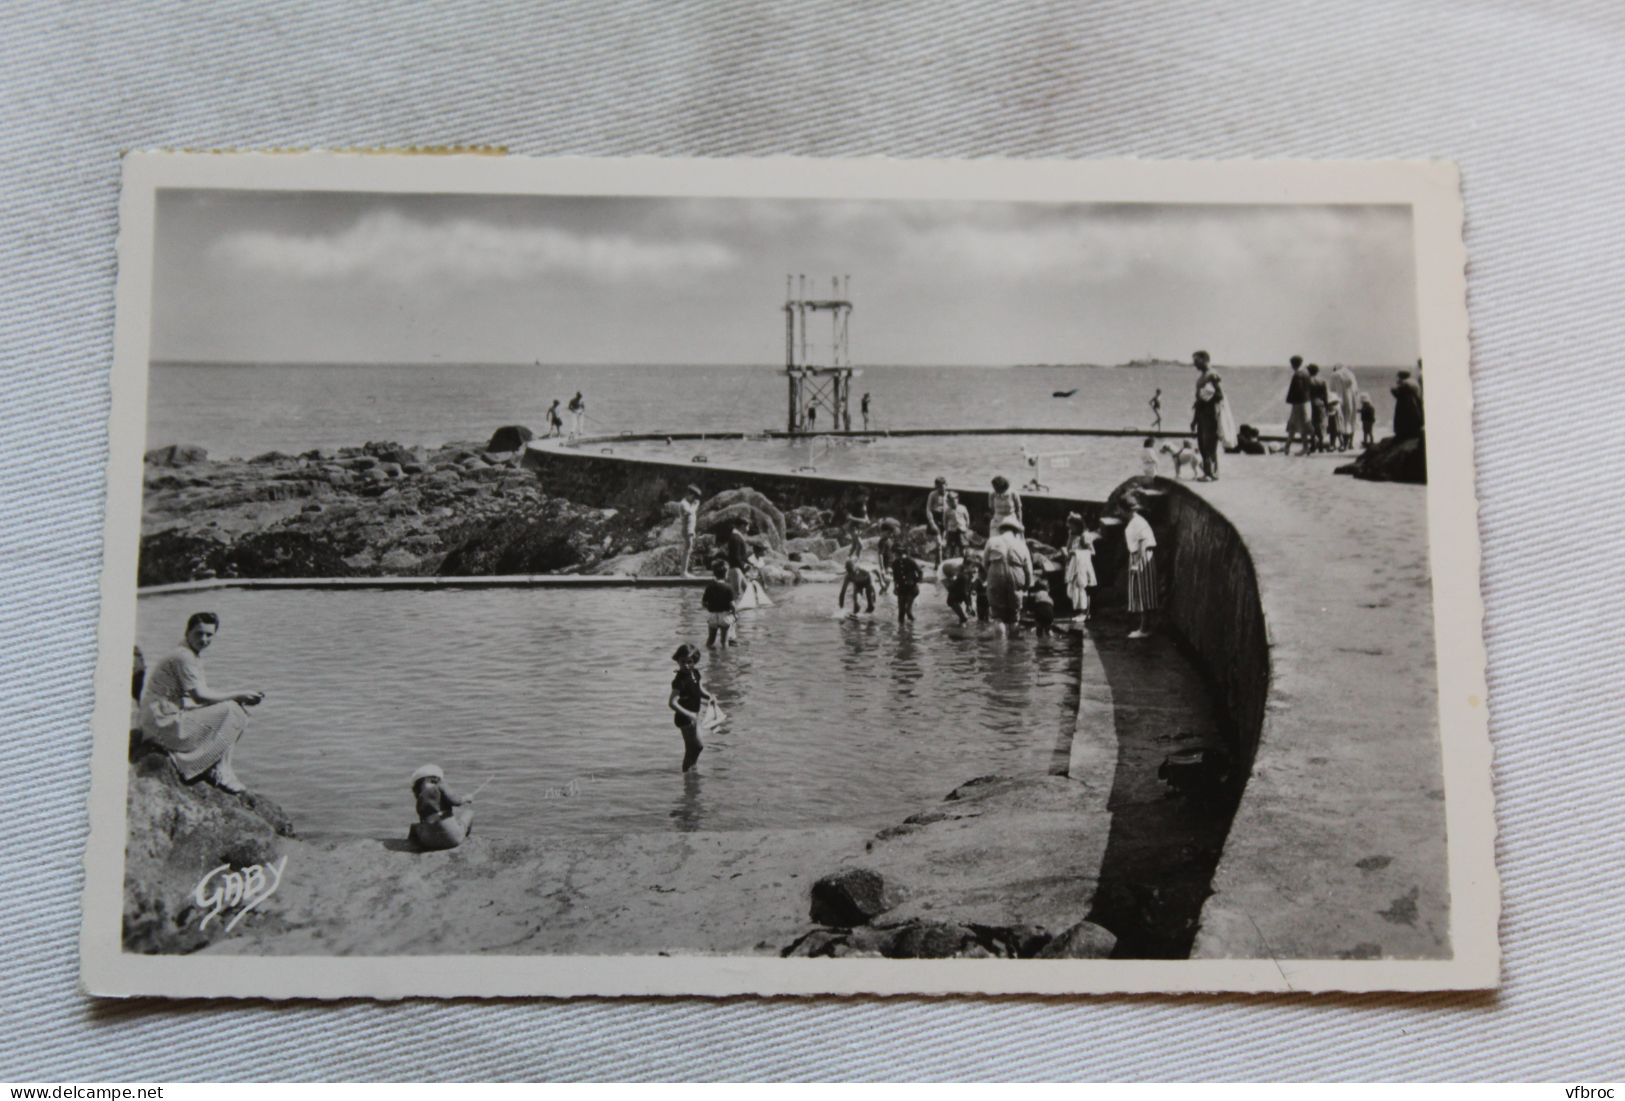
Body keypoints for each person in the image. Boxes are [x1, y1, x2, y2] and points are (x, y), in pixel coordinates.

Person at [137, 611, 264, 793]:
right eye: (199, 633)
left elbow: (191, 700)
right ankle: (212, 769)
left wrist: (233, 702)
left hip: (162, 720)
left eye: (209, 635)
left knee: (236, 711)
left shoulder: (190, 654)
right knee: (233, 711)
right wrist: (239, 695)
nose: (204, 639)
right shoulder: (184, 657)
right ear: (187, 632)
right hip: (161, 724)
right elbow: (200, 696)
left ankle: (215, 766)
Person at [982, 516, 1034, 638]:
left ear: (1001, 530)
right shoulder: (1022, 545)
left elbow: (984, 563)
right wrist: (1026, 587)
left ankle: (1000, 648)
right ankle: (1013, 649)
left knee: (998, 616)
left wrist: (991, 577)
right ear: (1016, 532)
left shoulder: (992, 541)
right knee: (1014, 616)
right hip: (1016, 575)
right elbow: (1028, 570)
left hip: (996, 573)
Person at [406, 764, 475, 851]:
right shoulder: (440, 786)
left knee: (415, 826)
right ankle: (464, 836)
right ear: (436, 779)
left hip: (428, 842)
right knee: (469, 813)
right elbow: (456, 801)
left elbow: (423, 821)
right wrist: (467, 798)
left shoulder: (420, 798)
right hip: (453, 840)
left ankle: (410, 844)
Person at [668, 643, 713, 771]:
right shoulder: (679, 680)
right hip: (684, 718)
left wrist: (710, 696)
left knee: (697, 747)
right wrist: (689, 714)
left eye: (690, 662)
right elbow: (672, 702)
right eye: (683, 662)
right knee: (693, 747)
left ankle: (692, 769)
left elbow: (699, 689)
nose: (687, 665)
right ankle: (687, 773)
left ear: (695, 661)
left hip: (694, 715)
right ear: (677, 660)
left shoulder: (695, 673)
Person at [1123, 496, 1158, 639]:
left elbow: (1143, 542)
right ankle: (1143, 627)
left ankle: (1145, 629)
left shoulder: (1138, 522)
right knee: (1140, 593)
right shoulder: (1134, 521)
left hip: (1142, 557)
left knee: (1145, 594)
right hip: (1137, 556)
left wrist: (1137, 563)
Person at [1064, 512, 1100, 623]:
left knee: (1082, 588)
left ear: (1078, 524)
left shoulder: (1085, 535)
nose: (1069, 527)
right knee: (1073, 589)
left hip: (1082, 566)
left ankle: (1084, 613)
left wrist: (1076, 552)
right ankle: (1080, 611)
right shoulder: (1072, 534)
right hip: (1073, 565)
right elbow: (1068, 548)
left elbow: (1092, 552)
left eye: (1071, 525)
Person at [1191, 371, 1224, 481]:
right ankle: (1210, 473)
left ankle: (1211, 473)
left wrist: (1215, 383)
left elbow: (1220, 396)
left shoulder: (1213, 393)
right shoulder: (1204, 395)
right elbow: (1198, 407)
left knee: (1208, 448)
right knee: (1203, 448)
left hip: (1209, 421)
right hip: (1202, 421)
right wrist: (1194, 421)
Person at [702, 559, 737, 647]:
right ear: (726, 573)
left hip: (712, 616)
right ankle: (724, 659)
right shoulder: (728, 587)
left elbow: (703, 603)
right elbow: (732, 605)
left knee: (711, 639)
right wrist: (734, 614)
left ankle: (710, 657)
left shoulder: (709, 587)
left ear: (714, 573)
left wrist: (710, 608)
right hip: (724, 616)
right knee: (724, 641)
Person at [1284, 355, 1312, 456]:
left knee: (1298, 425)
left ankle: (1304, 447)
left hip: (1299, 403)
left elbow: (1299, 391)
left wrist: (1293, 401)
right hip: (1305, 402)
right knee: (1296, 424)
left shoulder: (1298, 374)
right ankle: (1287, 446)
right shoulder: (1306, 373)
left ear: (1293, 364)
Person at [1330, 364, 1360, 450]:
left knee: (1340, 422)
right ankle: (1350, 444)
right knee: (1351, 421)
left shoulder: (1334, 375)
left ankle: (1343, 444)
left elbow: (1332, 390)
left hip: (1340, 400)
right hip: (1352, 400)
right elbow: (1356, 390)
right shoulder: (1351, 374)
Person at [723, 516, 753, 599]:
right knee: (737, 594)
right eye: (748, 526)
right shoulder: (735, 537)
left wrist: (749, 564)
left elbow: (741, 555)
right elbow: (736, 556)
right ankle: (734, 611)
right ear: (742, 526)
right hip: (736, 570)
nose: (748, 528)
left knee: (748, 592)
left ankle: (746, 611)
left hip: (738, 569)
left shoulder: (737, 536)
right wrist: (744, 568)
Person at [676, 485, 702, 575]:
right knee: (687, 549)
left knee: (688, 549)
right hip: (687, 529)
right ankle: (684, 572)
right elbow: (689, 512)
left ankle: (684, 571)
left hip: (690, 529)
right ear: (689, 494)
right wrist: (695, 505)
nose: (694, 499)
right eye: (693, 497)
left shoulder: (689, 504)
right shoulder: (683, 503)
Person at [944, 556, 978, 625]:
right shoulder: (963, 576)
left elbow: (967, 591)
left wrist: (969, 605)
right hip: (954, 599)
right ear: (967, 566)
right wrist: (968, 605)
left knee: (963, 618)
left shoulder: (967, 575)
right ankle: (961, 631)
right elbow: (965, 592)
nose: (975, 569)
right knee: (963, 618)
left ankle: (961, 628)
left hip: (957, 598)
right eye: (973, 567)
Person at [892, 550, 922, 626]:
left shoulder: (911, 561)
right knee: (901, 612)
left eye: (899, 556)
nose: (898, 558)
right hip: (901, 588)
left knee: (908, 611)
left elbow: (920, 572)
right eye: (896, 556)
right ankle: (901, 631)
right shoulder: (895, 563)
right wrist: (895, 587)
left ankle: (914, 627)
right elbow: (895, 577)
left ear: (903, 554)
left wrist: (916, 581)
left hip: (911, 588)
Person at [986, 475, 1022, 539]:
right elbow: (991, 509)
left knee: (1015, 538)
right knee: (993, 538)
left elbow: (1018, 509)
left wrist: (1020, 523)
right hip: (997, 517)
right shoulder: (992, 494)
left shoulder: (1013, 493)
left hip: (1011, 517)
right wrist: (993, 520)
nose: (995, 489)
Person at [924, 476, 950, 564]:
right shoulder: (932, 494)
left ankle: (937, 563)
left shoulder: (949, 495)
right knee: (939, 542)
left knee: (943, 543)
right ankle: (940, 565)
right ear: (936, 486)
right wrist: (931, 522)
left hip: (946, 519)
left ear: (946, 485)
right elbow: (928, 509)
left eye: (943, 486)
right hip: (936, 518)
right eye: (939, 487)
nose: (942, 489)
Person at [1392, 370, 1424, 440]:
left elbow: (1400, 393)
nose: (1398, 378)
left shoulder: (1405, 383)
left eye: (1399, 376)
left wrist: (1393, 390)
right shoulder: (1414, 381)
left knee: (1403, 418)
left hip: (1405, 403)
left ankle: (1403, 434)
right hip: (1415, 402)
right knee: (1414, 417)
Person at [1307, 364, 1330, 453]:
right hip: (1320, 404)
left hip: (1309, 404)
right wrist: (1327, 406)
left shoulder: (1307, 381)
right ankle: (1320, 445)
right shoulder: (1322, 381)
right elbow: (1325, 395)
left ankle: (1313, 444)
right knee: (1320, 424)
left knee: (1311, 424)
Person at [943, 491, 970, 559]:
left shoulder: (962, 508)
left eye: (955, 499)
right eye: (951, 500)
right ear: (948, 502)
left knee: (963, 546)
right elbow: (945, 521)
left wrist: (966, 528)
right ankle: (950, 560)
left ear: (957, 499)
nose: (953, 502)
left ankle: (963, 560)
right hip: (952, 530)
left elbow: (967, 518)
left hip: (961, 529)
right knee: (951, 546)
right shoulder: (947, 510)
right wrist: (946, 530)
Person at [876, 519, 898, 595]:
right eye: (889, 533)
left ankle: (884, 593)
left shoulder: (889, 540)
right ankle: (882, 594)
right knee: (887, 582)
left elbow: (892, 551)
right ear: (883, 532)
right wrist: (882, 568)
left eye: (891, 533)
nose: (891, 535)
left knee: (890, 581)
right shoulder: (882, 542)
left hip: (892, 563)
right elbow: (880, 555)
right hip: (887, 565)